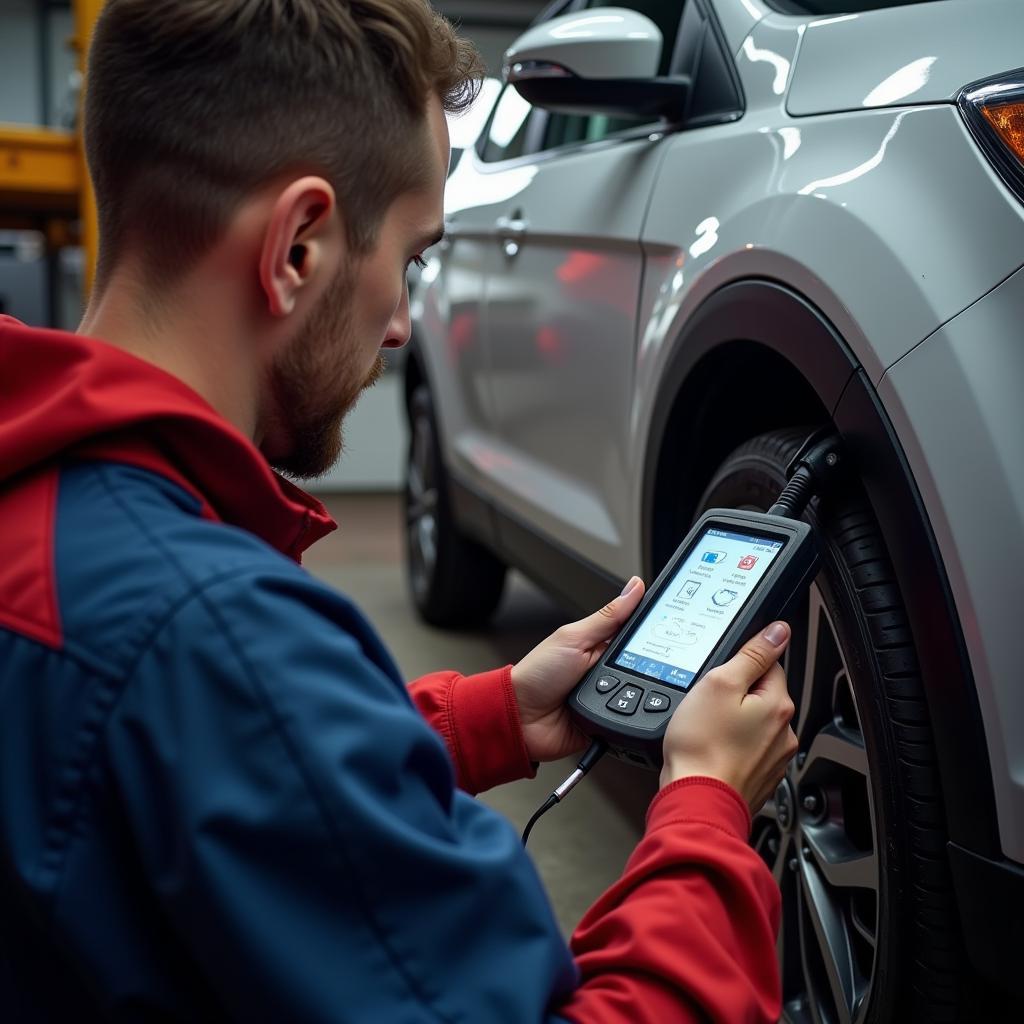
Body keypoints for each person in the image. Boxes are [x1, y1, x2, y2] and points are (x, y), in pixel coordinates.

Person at [0, 2, 798, 1021]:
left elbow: (213, 766)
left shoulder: (59, 517)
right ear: (298, 246)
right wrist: (705, 811)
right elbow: (227, 703)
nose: (402, 325)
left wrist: (492, 715)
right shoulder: (217, 637)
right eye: (410, 260)